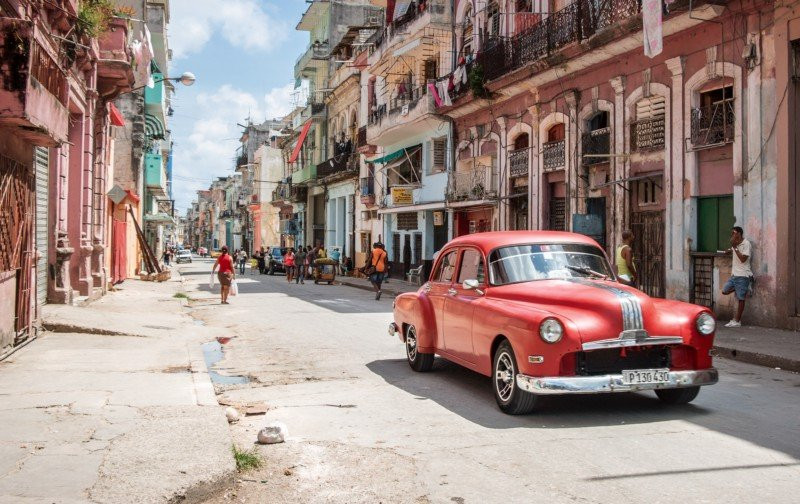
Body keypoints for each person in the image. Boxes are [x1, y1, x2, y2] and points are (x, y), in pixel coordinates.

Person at [721, 226, 752, 327]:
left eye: (733, 233)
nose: (732, 235)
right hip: (734, 275)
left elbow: (743, 259)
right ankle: (739, 288)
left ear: (739, 234)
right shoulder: (736, 245)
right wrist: (729, 250)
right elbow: (732, 250)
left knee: (740, 299)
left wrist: (734, 247)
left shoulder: (746, 244)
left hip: (743, 275)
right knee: (724, 290)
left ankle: (737, 321)